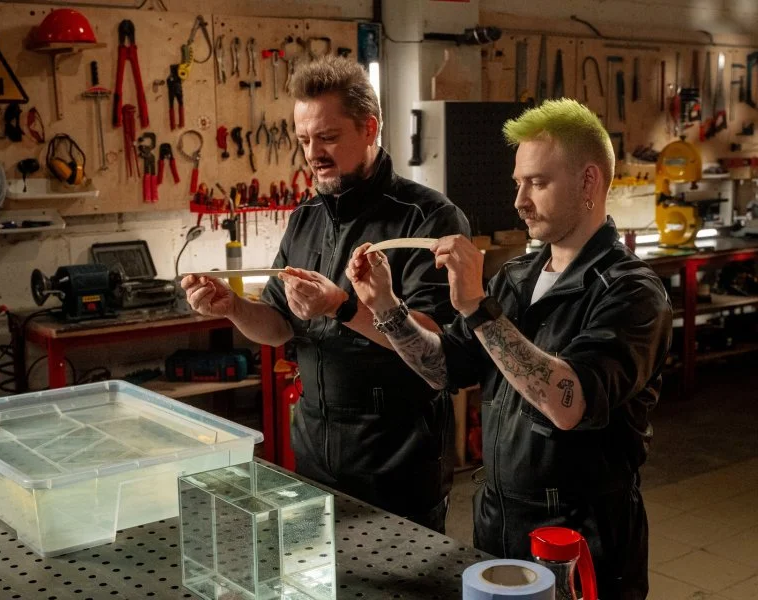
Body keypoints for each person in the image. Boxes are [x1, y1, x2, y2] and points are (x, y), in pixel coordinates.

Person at [346, 98, 673, 599]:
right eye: (518, 182)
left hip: (581, 540)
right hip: (500, 524)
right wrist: (387, 307)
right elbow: (445, 368)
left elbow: (569, 401)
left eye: (537, 183)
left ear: (589, 182)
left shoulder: (632, 293)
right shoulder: (517, 277)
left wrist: (477, 308)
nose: (519, 200)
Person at [182, 55, 470, 532]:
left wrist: (343, 307)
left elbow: (437, 345)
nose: (313, 152)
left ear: (370, 128)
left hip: (397, 466)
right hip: (315, 459)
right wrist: (232, 307)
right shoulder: (306, 217)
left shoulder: (428, 218)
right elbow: (278, 326)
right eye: (303, 140)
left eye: (328, 137)